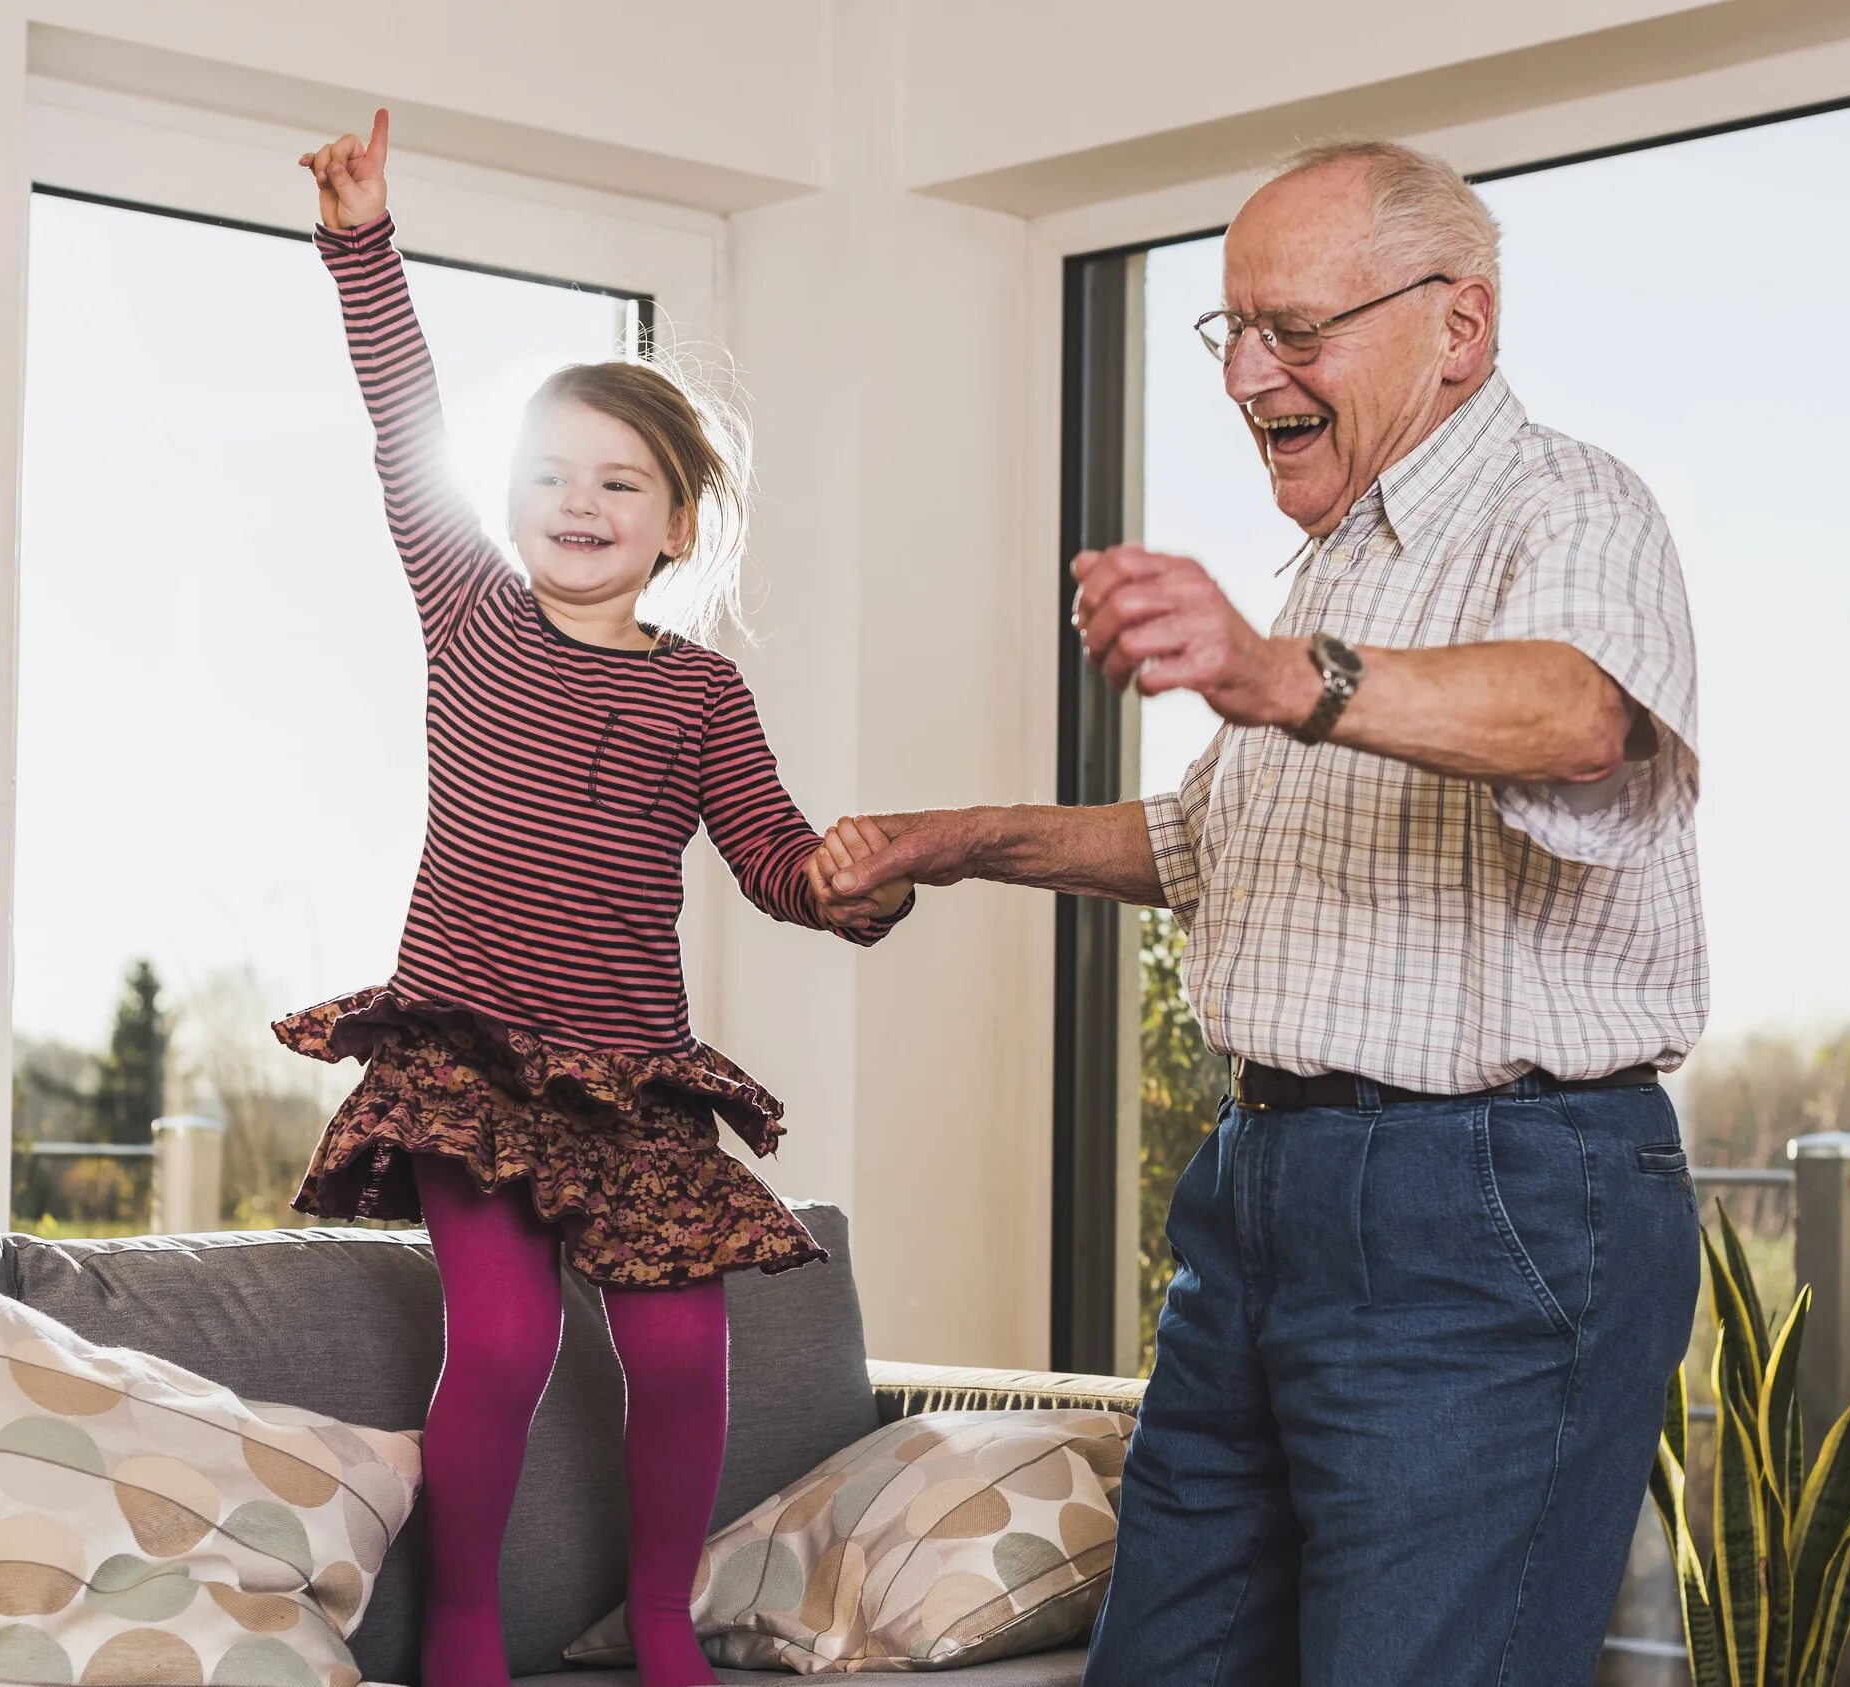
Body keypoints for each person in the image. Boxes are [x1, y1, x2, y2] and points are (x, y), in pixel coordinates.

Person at [824, 141, 1707, 1685]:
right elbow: (1210, 839)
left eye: (1293, 330)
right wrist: (952, 841)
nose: (1246, 374)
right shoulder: (1332, 568)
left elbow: (1582, 718)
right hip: (1262, 1201)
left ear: (1460, 328)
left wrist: (1275, 677)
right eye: (1229, 330)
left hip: (1485, 1207)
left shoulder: (1567, 507)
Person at [275, 112, 914, 1687]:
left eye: (620, 483)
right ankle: (469, 1625)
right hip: (471, 1062)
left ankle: (654, 1619)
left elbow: (768, 855)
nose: (581, 500)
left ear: (677, 523)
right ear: (507, 498)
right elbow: (396, 410)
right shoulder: (472, 609)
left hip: (632, 1080)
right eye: (551, 474)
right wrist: (363, 242)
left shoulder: (702, 698)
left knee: (684, 1355)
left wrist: (845, 890)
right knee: (502, 1339)